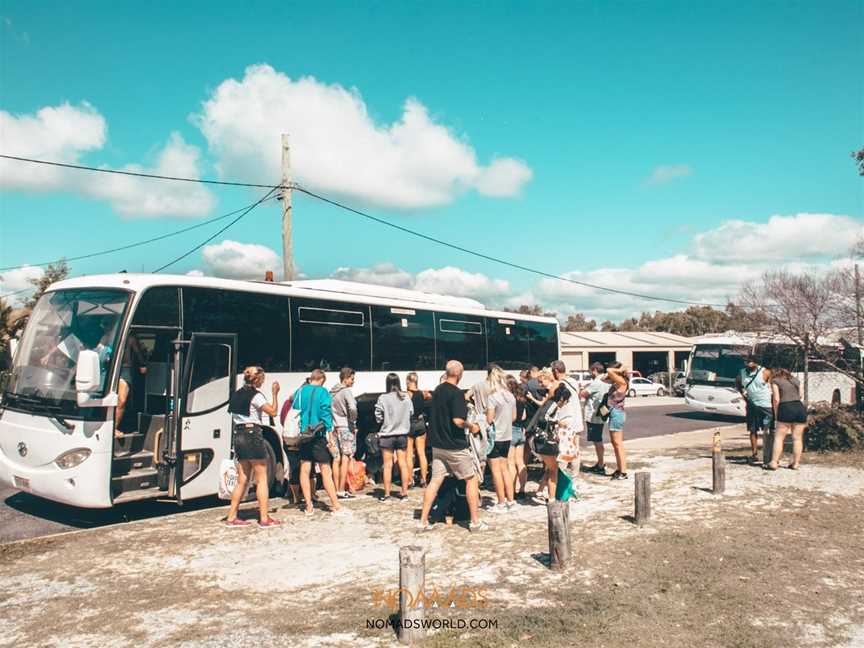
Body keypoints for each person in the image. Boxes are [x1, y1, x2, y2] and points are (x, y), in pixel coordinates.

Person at [418, 360, 487, 532]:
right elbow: (457, 421)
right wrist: (473, 427)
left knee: (434, 481)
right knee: (471, 479)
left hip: (437, 445)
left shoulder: (437, 391)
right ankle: (475, 521)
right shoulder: (456, 393)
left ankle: (423, 521)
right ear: (459, 374)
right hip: (455, 446)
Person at [225, 366, 281, 528]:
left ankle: (231, 516)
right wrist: (275, 394)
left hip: (239, 435)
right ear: (257, 380)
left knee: (242, 479)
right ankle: (264, 518)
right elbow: (273, 412)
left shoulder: (236, 394)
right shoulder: (256, 396)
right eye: (262, 379)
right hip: (252, 434)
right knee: (261, 478)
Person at [295, 369, 342, 516]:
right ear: (321, 379)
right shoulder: (323, 392)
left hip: (304, 434)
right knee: (325, 471)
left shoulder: (301, 391)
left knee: (304, 469)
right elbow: (325, 413)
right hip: (318, 434)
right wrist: (330, 432)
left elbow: (295, 407)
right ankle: (336, 505)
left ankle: (308, 506)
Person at [374, 373, 414, 501]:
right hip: (402, 434)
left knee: (387, 465)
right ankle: (404, 492)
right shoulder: (406, 397)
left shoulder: (383, 398)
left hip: (387, 435)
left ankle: (386, 494)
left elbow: (378, 416)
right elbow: (411, 413)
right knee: (402, 463)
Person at [485, 366, 517, 512]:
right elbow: (514, 417)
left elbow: (490, 419)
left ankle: (501, 503)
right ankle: (511, 500)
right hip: (507, 435)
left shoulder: (492, 397)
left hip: (495, 437)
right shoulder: (510, 396)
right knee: (505, 469)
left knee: (496, 471)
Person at [767, 368, 807, 470]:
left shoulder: (775, 381)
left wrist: (776, 414)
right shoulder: (795, 380)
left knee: (779, 437)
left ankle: (774, 462)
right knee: (797, 438)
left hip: (785, 407)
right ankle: (796, 463)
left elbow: (776, 399)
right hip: (799, 407)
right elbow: (801, 395)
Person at [738, 355, 773, 464]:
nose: (749, 364)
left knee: (768, 430)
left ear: (757, 363)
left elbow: (772, 385)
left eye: (752, 362)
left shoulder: (765, 372)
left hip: (765, 406)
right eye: (748, 362)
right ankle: (754, 454)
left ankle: (768, 454)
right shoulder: (741, 373)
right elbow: (738, 385)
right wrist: (744, 397)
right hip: (752, 405)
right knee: (753, 430)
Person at [330, 367, 359, 500]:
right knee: (346, 457)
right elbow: (352, 407)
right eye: (352, 379)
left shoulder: (332, 392)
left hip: (335, 428)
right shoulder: (346, 391)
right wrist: (352, 419)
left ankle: (336, 488)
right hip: (345, 427)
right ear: (346, 378)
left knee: (336, 459)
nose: (353, 381)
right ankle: (342, 490)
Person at [115, 333, 147, 438]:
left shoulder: (130, 337)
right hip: (119, 368)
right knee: (121, 400)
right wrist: (142, 365)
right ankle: (114, 428)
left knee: (122, 400)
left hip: (124, 368)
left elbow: (137, 352)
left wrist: (142, 364)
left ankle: (114, 427)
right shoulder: (113, 335)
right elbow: (138, 352)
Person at [581, 362, 609, 475]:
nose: (589, 373)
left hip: (593, 415)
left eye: (590, 371)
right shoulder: (606, 382)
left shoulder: (596, 383)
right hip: (601, 413)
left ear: (595, 370)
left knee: (597, 440)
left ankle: (601, 464)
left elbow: (583, 394)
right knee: (598, 439)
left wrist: (584, 387)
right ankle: (600, 462)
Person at [406, 372, 431, 488]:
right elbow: (429, 396)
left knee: (410, 454)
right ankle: (424, 479)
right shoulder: (422, 393)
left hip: (409, 423)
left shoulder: (406, 395)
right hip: (421, 422)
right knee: (422, 453)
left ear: (407, 381)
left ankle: (410, 480)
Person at [605, 362, 629, 480]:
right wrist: (618, 371)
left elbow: (609, 371)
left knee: (618, 444)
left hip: (617, 414)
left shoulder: (622, 382)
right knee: (615, 444)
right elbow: (604, 377)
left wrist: (618, 370)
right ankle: (620, 469)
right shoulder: (618, 381)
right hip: (615, 413)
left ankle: (623, 471)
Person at [507, 376, 528, 499]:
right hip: (521, 431)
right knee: (520, 462)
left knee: (510, 463)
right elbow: (524, 416)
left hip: (511, 431)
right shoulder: (521, 400)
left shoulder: (509, 401)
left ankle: (512, 490)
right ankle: (522, 490)